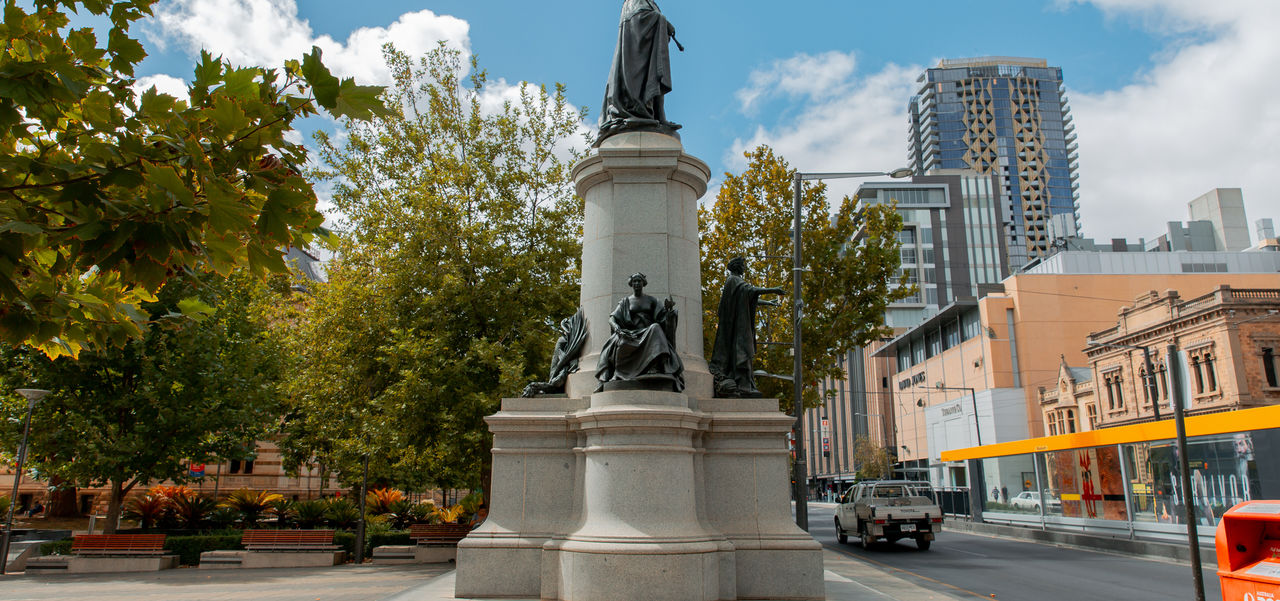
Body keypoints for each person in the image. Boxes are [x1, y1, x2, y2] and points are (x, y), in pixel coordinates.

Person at [598, 0, 683, 144]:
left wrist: (661, 25)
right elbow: (639, 19)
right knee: (646, 76)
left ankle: (658, 117)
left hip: (646, 55)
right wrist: (661, 21)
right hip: (636, 56)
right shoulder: (634, 2)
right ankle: (639, 112)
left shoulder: (650, 2)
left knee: (654, 73)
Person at [708, 257, 784, 397]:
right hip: (736, 328)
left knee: (744, 350)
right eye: (743, 265)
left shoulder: (736, 281)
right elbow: (750, 291)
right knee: (743, 350)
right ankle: (742, 385)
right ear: (737, 266)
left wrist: (768, 303)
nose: (745, 268)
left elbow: (748, 296)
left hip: (739, 327)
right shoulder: (733, 280)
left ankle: (744, 383)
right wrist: (773, 289)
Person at [595, 273, 684, 391]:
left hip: (647, 332)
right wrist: (617, 328)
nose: (637, 284)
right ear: (631, 284)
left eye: (639, 281)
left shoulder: (652, 300)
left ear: (643, 283)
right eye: (635, 282)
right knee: (618, 343)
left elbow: (662, 318)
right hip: (631, 333)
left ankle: (654, 366)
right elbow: (612, 318)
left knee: (656, 327)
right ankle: (618, 373)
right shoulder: (625, 302)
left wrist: (669, 312)